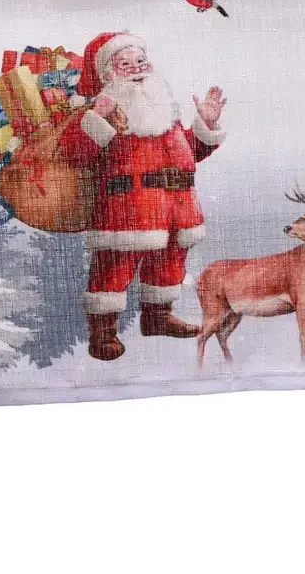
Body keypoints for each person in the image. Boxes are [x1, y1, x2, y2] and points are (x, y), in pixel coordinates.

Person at [57, 30, 227, 361]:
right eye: (125, 64)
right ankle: (103, 332)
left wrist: (206, 124)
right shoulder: (101, 112)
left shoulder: (162, 112)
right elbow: (74, 155)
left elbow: (189, 153)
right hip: (127, 208)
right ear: (108, 74)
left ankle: (158, 317)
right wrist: (97, 117)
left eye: (140, 60)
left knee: (170, 262)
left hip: (177, 207)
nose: (137, 68)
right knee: (114, 268)